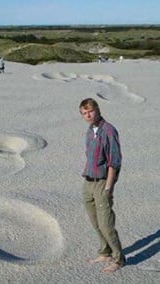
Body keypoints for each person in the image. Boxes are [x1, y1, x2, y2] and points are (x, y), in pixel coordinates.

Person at [79, 98, 126, 273]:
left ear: (97, 110)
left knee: (106, 223)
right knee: (95, 221)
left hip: (102, 183)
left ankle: (119, 259)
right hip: (88, 182)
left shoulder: (109, 131)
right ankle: (105, 252)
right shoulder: (90, 131)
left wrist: (109, 187)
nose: (88, 115)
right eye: (84, 113)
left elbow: (114, 161)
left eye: (90, 111)